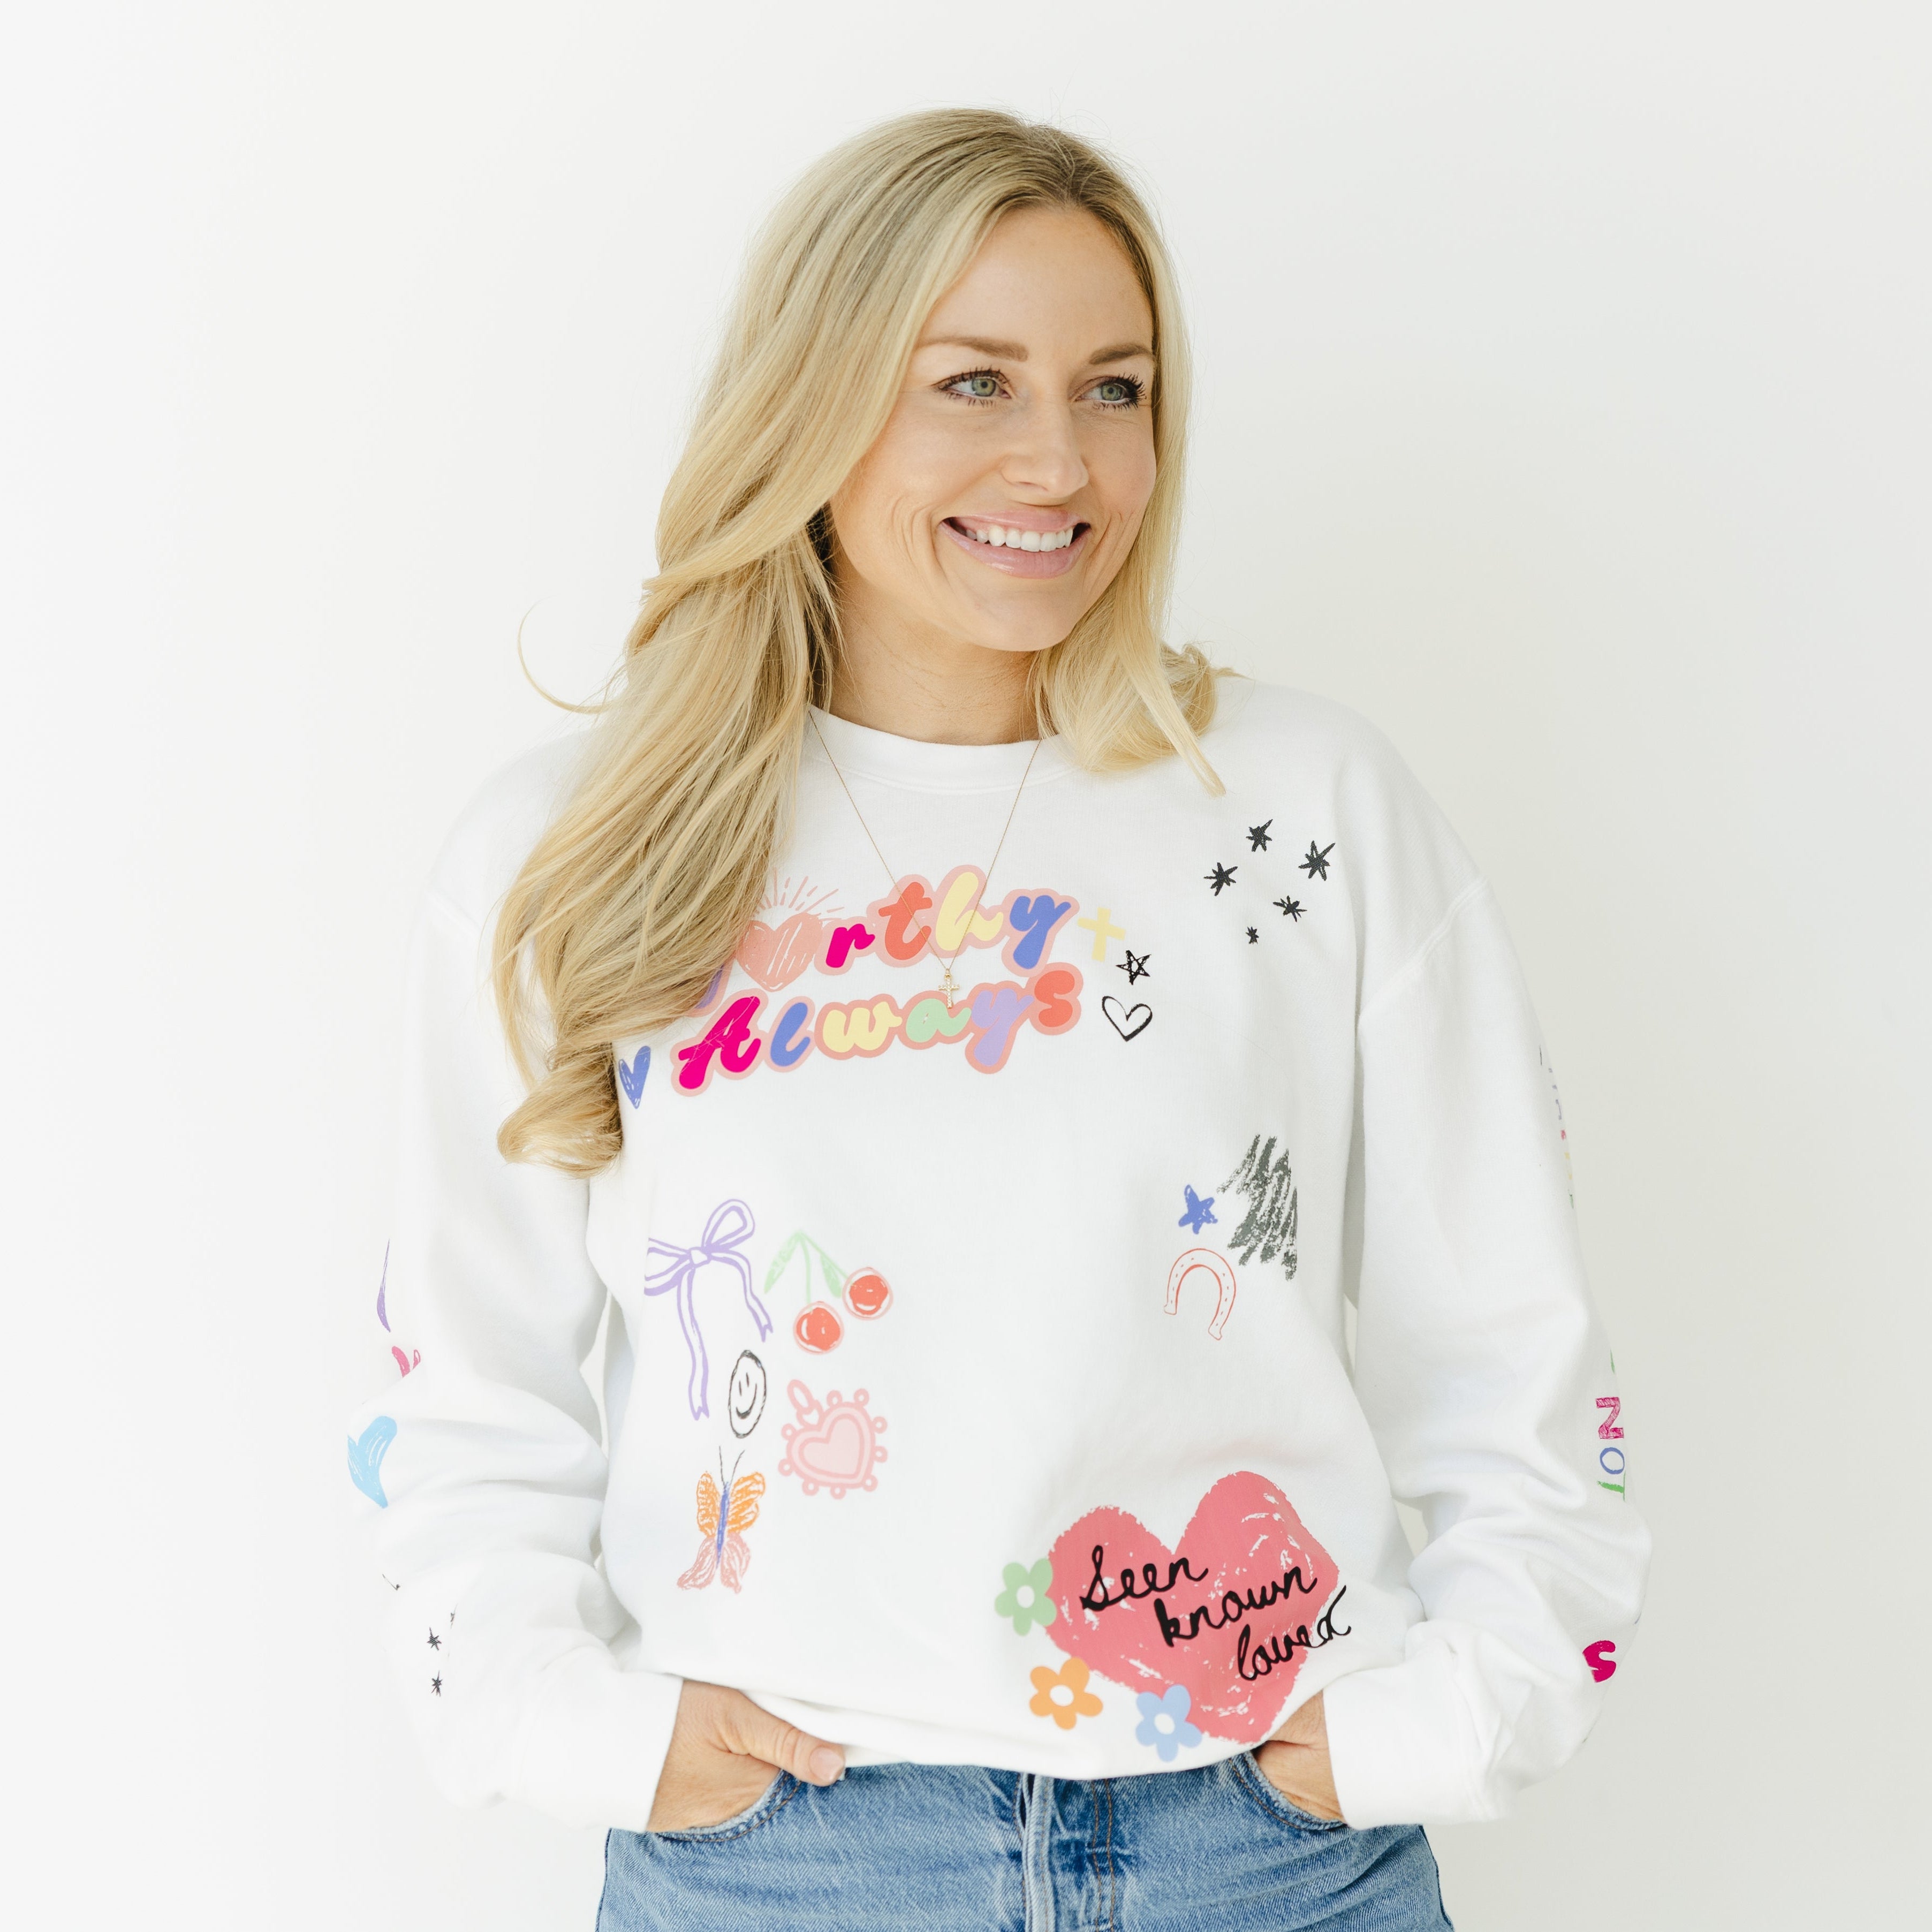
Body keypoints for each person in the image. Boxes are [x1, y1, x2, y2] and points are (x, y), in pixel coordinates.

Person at [347, 108, 1649, 1930]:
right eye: (973, 382)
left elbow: (1512, 1348)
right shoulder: (579, 848)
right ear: (811, 401)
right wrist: (572, 1728)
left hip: (1265, 1856)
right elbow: (468, 1392)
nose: (1060, 459)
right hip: (785, 1865)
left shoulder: (1299, 810)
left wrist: (1449, 1719)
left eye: (1115, 389)